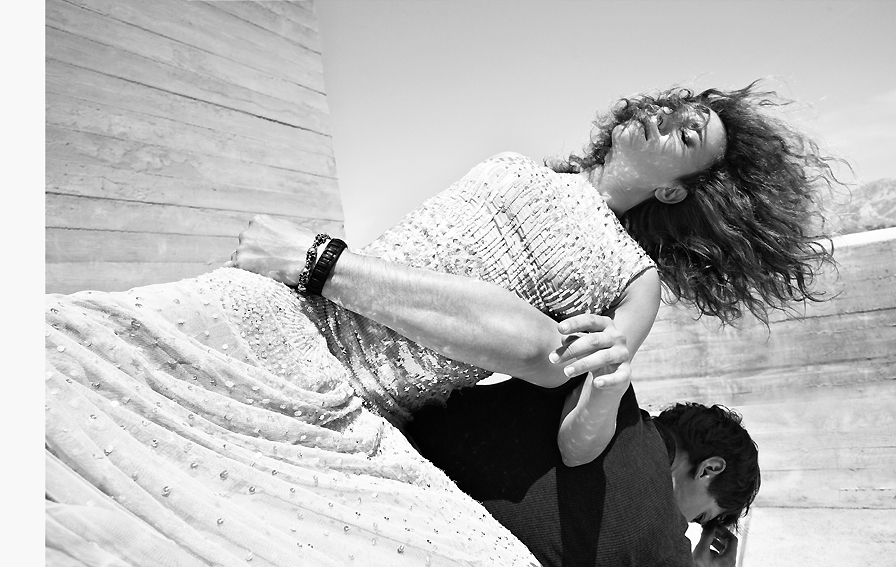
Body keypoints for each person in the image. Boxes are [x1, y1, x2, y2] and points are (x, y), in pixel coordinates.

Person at [46, 81, 830, 565]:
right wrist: (313, 269)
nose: (670, 116)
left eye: (689, 134)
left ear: (676, 190)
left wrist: (603, 386)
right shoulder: (530, 168)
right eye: (678, 106)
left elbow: (563, 401)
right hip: (272, 315)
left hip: (341, 406)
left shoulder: (634, 278)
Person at [406, 343, 760, 567]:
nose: (689, 524)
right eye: (702, 517)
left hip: (402, 427)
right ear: (709, 468)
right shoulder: (663, 544)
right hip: (416, 528)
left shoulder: (601, 374)